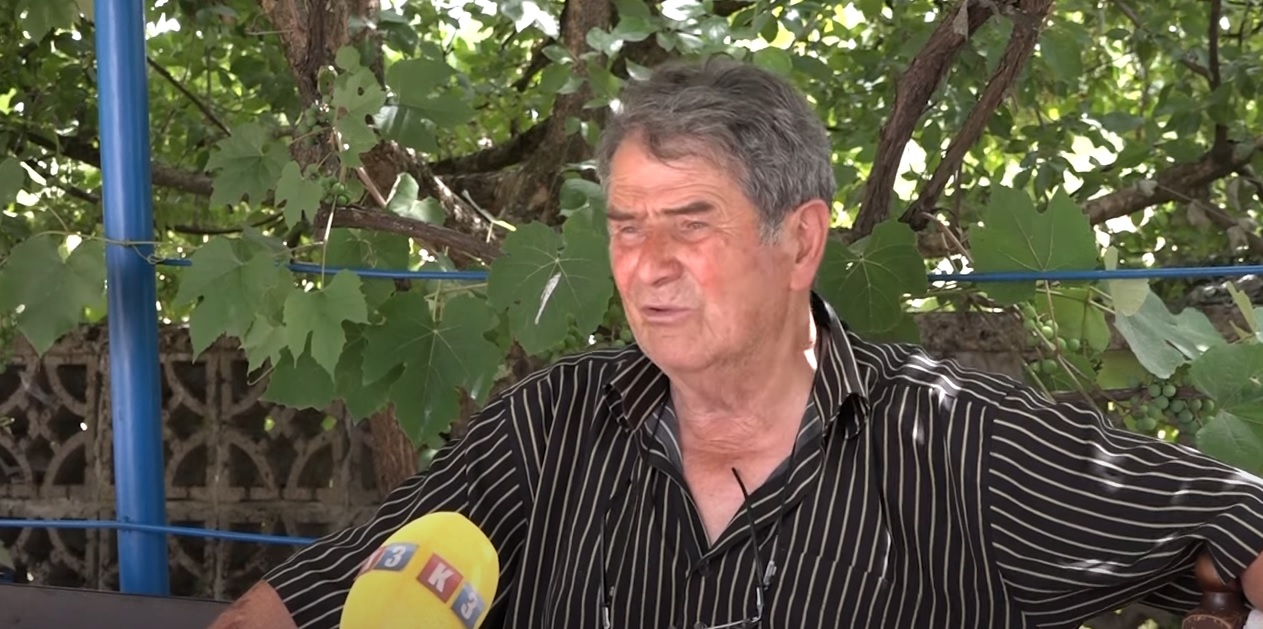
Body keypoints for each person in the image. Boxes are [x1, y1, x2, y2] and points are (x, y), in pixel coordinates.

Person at [207, 57, 1263, 629]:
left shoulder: (957, 441)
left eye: (691, 222)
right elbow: (285, 608)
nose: (648, 265)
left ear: (799, 239)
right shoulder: (547, 427)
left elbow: (1233, 518)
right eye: (627, 226)